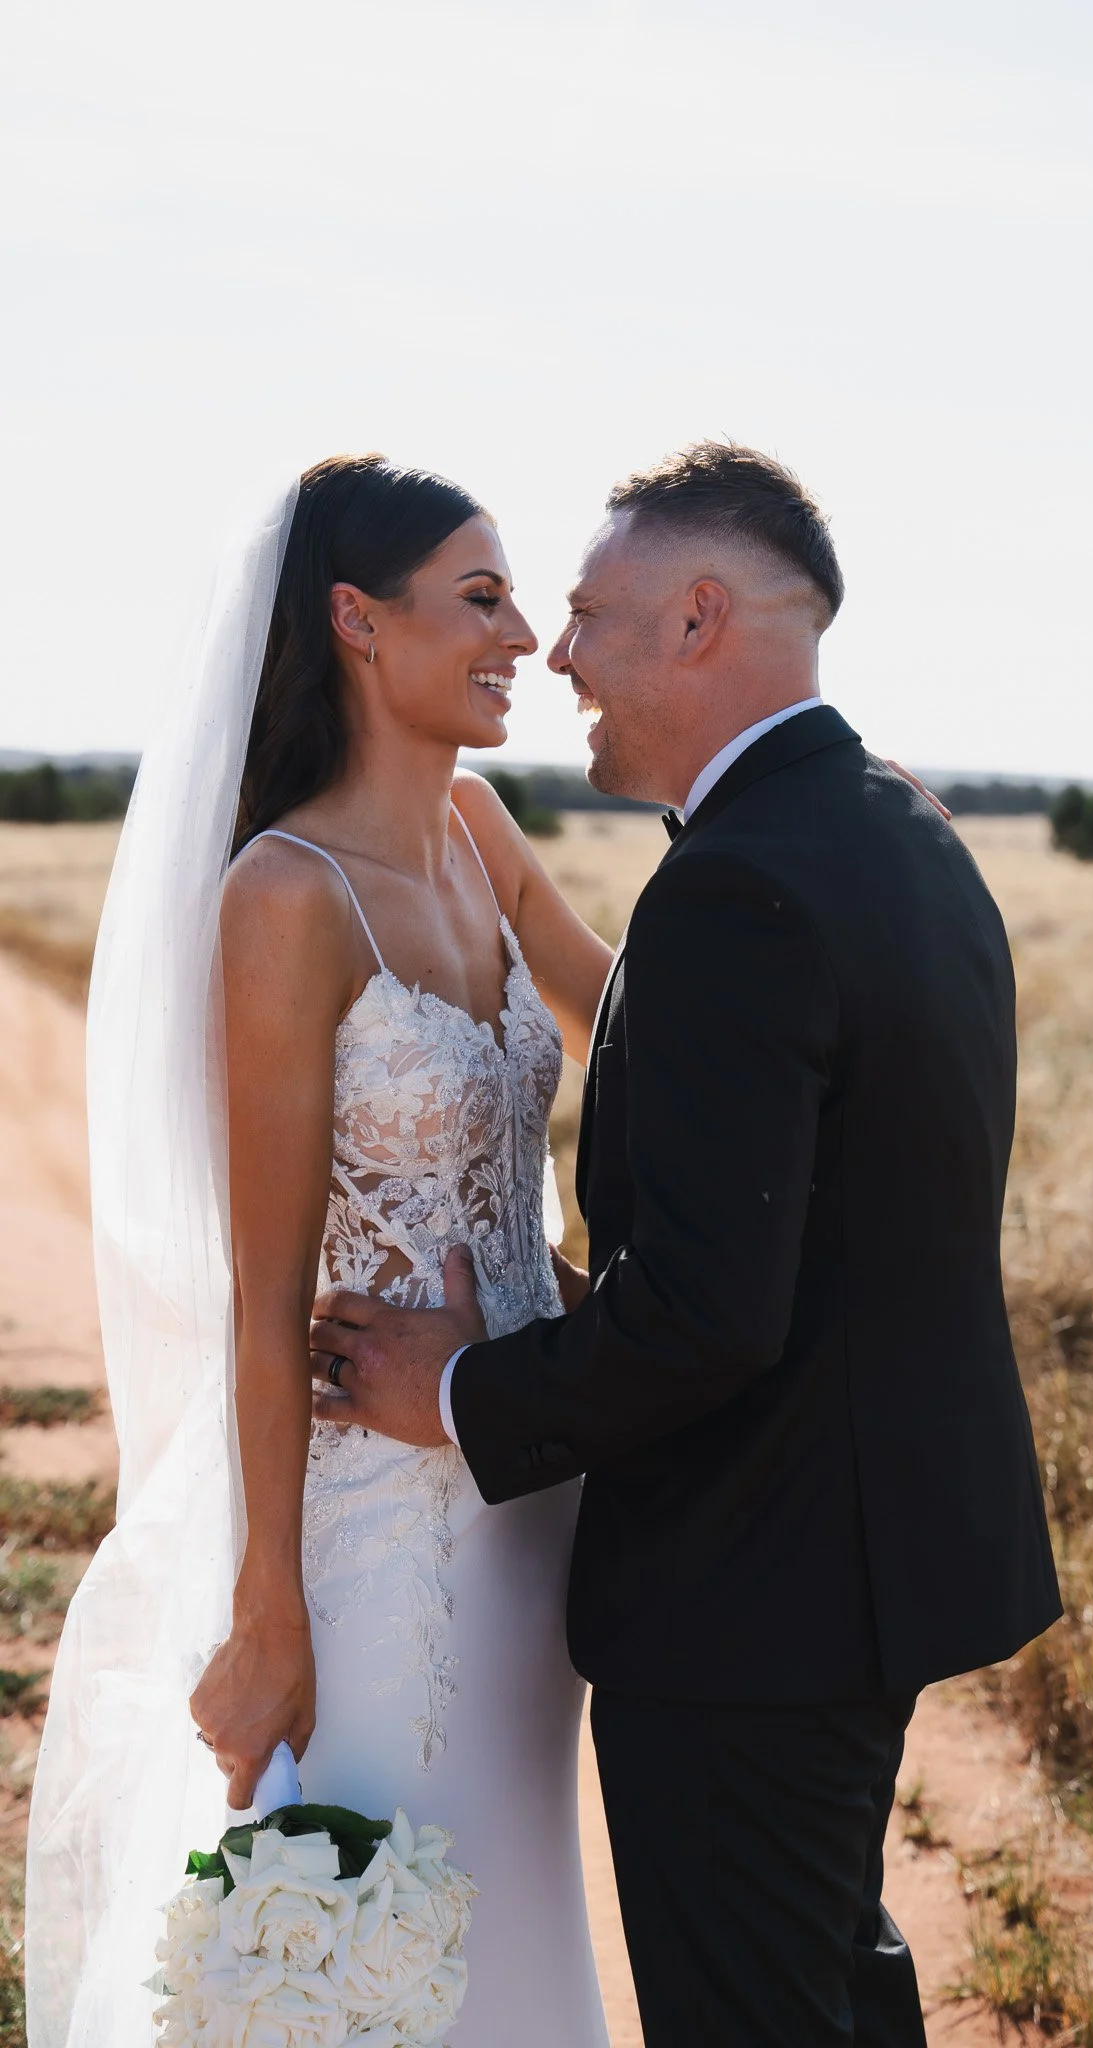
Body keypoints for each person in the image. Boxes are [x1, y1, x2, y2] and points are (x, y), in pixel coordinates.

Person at [311, 441, 1063, 2047]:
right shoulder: (895, 829)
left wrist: (462, 1389)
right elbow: (793, 1185)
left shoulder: (740, 889)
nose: (559, 653)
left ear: (699, 618)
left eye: (588, 614)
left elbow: (716, 1313)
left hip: (756, 1585)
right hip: (871, 1556)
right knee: (823, 1975)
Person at [28, 455, 617, 2048]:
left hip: (531, 1503)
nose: (521, 634)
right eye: (480, 596)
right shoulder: (284, 898)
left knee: (515, 1923)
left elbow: (634, 1025)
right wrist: (271, 1605)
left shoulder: (483, 834)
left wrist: (840, 881)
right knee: (380, 1949)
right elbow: (264, 1291)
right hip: (380, 1547)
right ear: (358, 621)